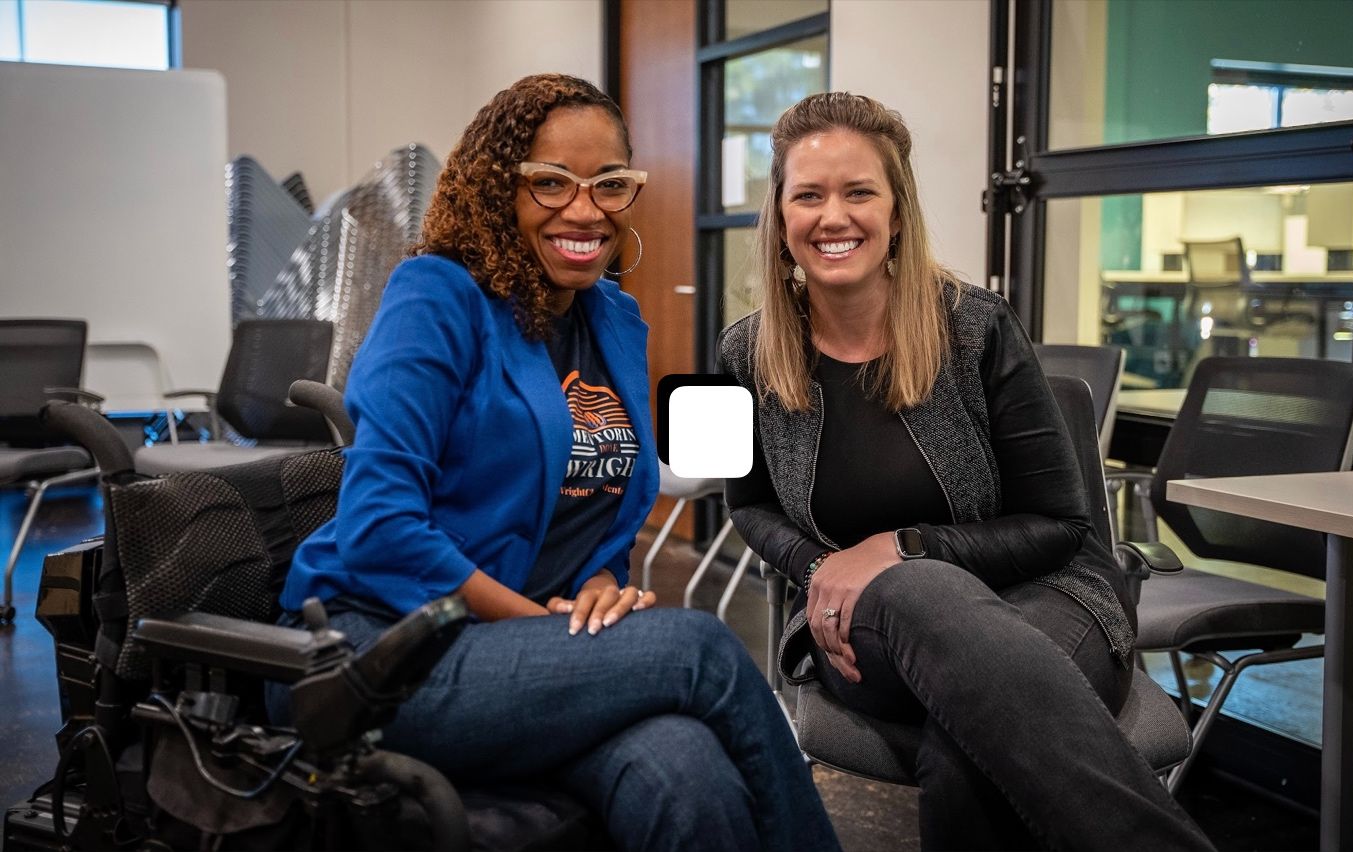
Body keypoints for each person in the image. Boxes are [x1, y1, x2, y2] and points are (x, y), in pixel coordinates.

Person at [274, 74, 839, 852]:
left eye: (610, 184)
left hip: (531, 654)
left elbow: (598, 509)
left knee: (686, 771)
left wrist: (599, 588)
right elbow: (377, 527)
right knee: (701, 650)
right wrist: (536, 623)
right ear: (496, 186)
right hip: (388, 655)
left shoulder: (613, 316)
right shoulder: (436, 297)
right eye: (549, 182)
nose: (584, 209)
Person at [720, 91, 1215, 851]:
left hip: (1049, 598)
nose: (834, 216)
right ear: (780, 215)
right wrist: (827, 566)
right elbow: (746, 506)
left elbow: (1061, 526)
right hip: (857, 625)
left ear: (896, 209)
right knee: (918, 599)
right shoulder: (741, 355)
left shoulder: (976, 328)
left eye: (859, 192)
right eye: (809, 195)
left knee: (964, 739)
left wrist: (900, 549)